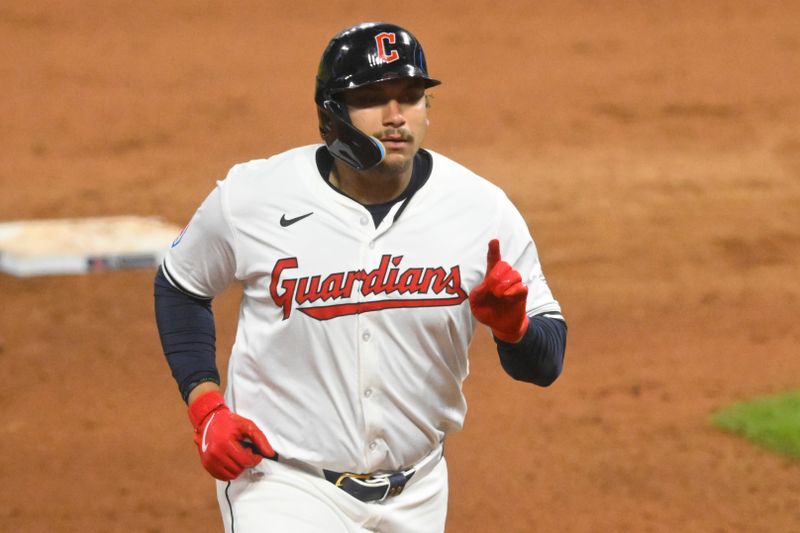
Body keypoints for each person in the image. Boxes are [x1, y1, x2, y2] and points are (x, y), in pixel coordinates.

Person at [154, 21, 567, 533]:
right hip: (283, 486)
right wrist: (207, 407)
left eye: (411, 96)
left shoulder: (481, 210)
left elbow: (547, 363)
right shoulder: (254, 197)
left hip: (417, 493)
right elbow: (181, 285)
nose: (396, 117)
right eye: (372, 98)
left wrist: (514, 331)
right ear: (331, 115)